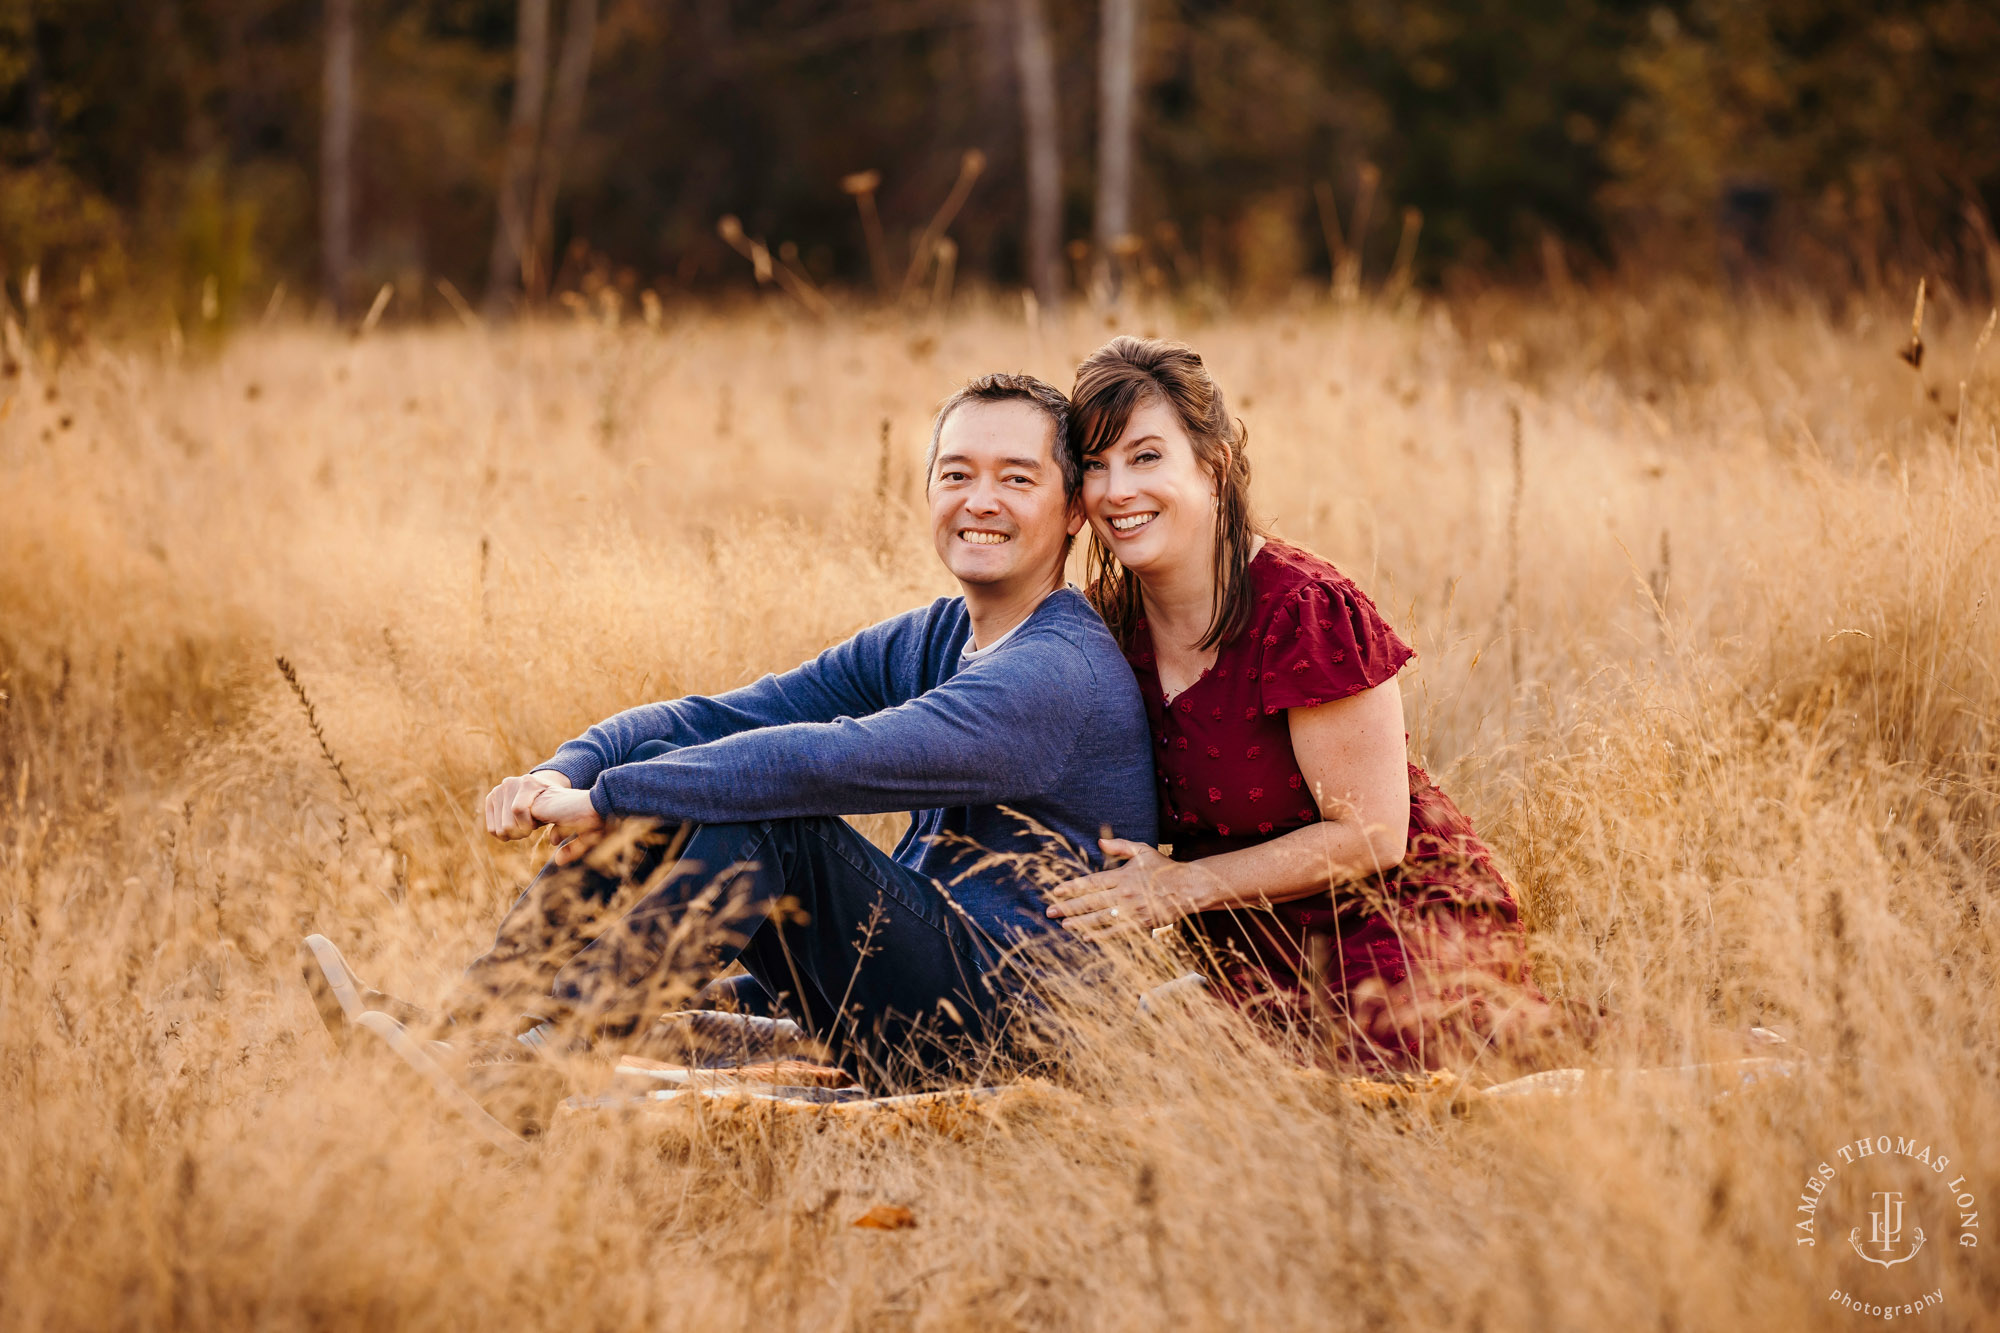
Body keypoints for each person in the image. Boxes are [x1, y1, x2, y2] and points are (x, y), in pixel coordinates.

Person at [304, 373, 1156, 1095]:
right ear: (929, 490)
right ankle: (464, 1034)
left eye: (1016, 478)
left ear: (1073, 509)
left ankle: (529, 1075)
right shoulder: (934, 635)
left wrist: (608, 798)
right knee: (687, 777)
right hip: (925, 978)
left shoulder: (1057, 670)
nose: (980, 501)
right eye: (957, 473)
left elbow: (830, 760)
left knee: (759, 814)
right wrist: (568, 768)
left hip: (1017, 1027)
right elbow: (725, 716)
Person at [1042, 337, 1546, 1072]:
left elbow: (1372, 835)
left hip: (1389, 920)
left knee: (1366, 1062)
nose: (1117, 490)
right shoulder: (1103, 627)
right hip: (1241, 941)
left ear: (1211, 464)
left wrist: (1180, 885)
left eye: (1147, 457)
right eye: (1094, 464)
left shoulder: (1303, 609)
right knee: (1141, 1070)